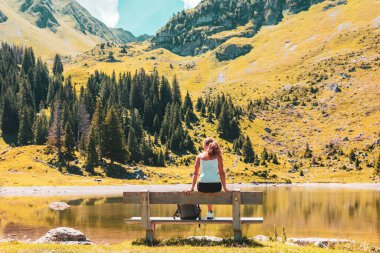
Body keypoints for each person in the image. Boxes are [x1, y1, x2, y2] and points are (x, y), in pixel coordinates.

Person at [187, 137, 228, 219]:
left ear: (205, 145)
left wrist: (192, 188)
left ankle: (209, 212)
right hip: (216, 186)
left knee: (206, 190)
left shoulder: (199, 156)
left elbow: (195, 174)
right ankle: (210, 213)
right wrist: (225, 188)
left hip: (202, 186)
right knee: (210, 189)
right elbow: (222, 173)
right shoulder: (218, 156)